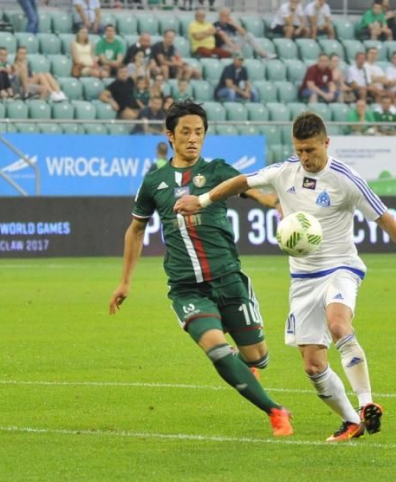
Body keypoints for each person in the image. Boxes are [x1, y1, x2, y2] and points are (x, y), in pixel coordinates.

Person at [174, 111, 396, 442]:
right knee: (313, 366)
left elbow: (386, 219)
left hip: (340, 266)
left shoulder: (346, 179)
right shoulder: (284, 171)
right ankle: (351, 422)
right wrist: (201, 200)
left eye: (311, 150)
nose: (305, 157)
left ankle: (366, 403)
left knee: (338, 323)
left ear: (326, 143)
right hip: (303, 279)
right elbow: (242, 182)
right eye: (300, 150)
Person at [110, 99, 294, 438]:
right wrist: (124, 282)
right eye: (186, 132)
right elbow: (135, 229)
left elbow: (244, 185)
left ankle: (246, 364)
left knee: (258, 358)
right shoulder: (154, 182)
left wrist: (271, 201)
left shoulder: (216, 170)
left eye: (199, 132)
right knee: (215, 347)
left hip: (229, 279)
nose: (193, 138)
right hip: (187, 288)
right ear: (170, 136)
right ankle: (275, 410)